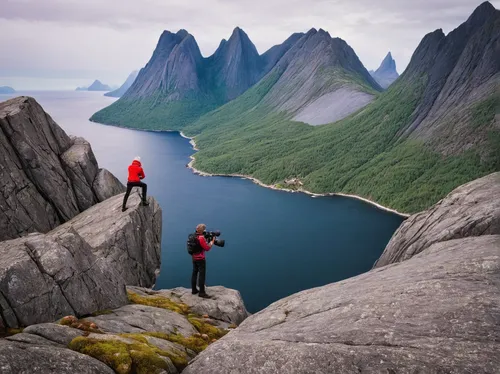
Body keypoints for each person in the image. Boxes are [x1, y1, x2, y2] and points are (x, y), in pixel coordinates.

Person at [191, 223, 215, 298]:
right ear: (203, 230)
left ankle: (194, 290)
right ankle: (202, 292)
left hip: (194, 257)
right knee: (202, 275)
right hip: (201, 259)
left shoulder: (193, 236)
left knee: (194, 273)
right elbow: (207, 248)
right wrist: (212, 242)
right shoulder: (201, 238)